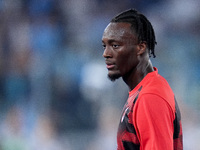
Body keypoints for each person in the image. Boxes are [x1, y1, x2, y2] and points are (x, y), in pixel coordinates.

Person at [101, 9, 183, 150]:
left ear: (140, 47)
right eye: (105, 46)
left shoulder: (149, 97)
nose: (106, 54)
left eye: (115, 46)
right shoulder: (145, 91)